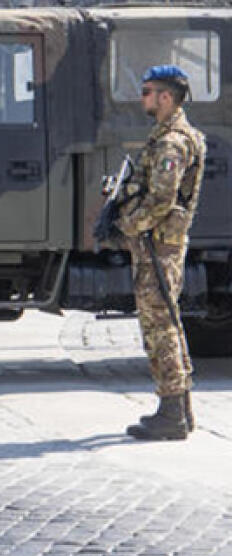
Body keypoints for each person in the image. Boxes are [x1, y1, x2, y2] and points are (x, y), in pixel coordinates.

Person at [119, 65, 206, 441]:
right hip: (163, 243)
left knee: (160, 326)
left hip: (159, 245)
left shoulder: (172, 142)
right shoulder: (169, 136)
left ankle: (171, 413)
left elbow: (161, 200)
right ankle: (181, 410)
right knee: (168, 321)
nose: (143, 97)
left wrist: (129, 224)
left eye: (147, 91)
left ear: (166, 97)